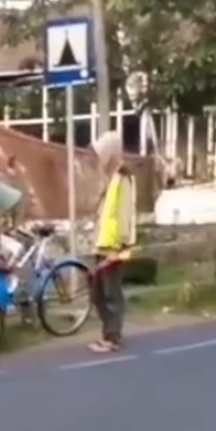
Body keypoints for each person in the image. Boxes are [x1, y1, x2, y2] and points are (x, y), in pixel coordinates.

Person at [88, 132, 137, 354]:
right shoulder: (109, 178)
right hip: (102, 244)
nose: (98, 159)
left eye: (101, 153)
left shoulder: (123, 179)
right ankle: (108, 332)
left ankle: (113, 337)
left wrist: (119, 247)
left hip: (114, 248)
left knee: (112, 294)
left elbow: (124, 215)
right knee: (97, 294)